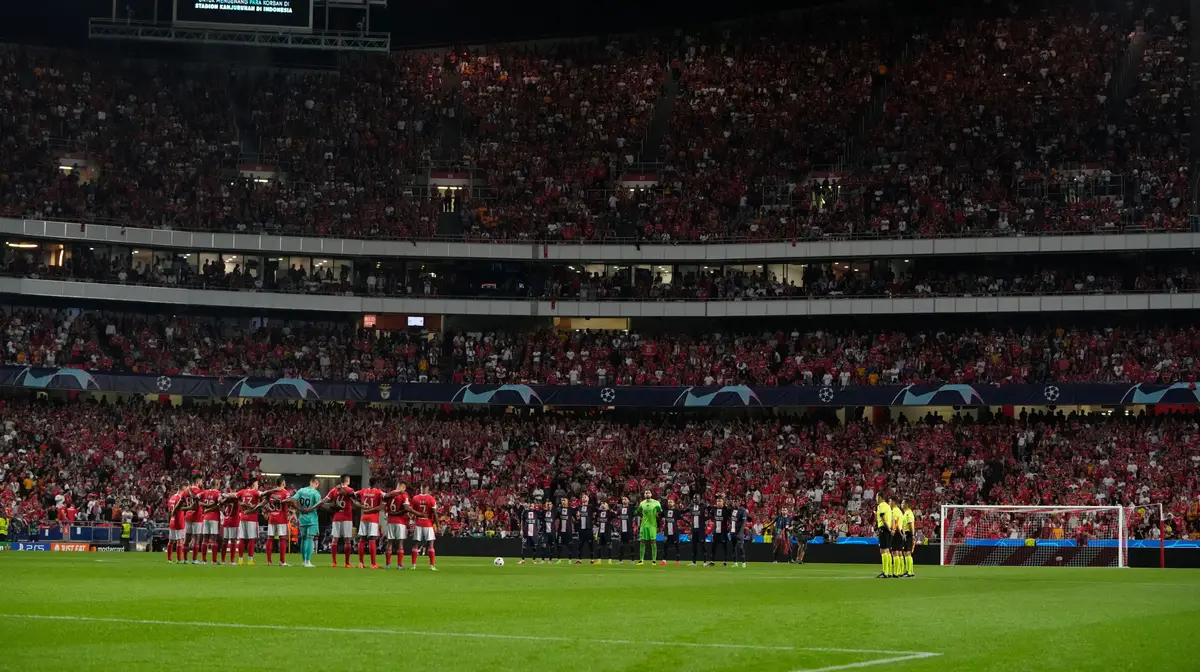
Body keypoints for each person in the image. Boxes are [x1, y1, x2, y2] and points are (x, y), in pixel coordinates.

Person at [321, 475, 359, 568]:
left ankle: (334, 562)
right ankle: (347, 563)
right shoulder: (350, 490)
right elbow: (354, 498)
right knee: (347, 540)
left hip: (337, 517)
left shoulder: (334, 490)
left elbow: (326, 499)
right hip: (347, 518)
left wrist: (319, 504)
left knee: (335, 540)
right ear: (347, 480)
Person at [235, 478, 273, 566]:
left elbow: (235, 496)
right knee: (251, 539)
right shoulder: (255, 492)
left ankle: (240, 560)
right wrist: (271, 491)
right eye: (256, 484)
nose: (258, 486)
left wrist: (241, 503)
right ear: (253, 485)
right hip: (252, 518)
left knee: (242, 539)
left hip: (243, 517)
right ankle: (250, 560)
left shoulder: (242, 492)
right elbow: (263, 494)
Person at [291, 477, 323, 568]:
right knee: (310, 539)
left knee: (304, 539)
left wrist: (299, 509)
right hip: (312, 518)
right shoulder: (315, 493)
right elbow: (319, 505)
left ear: (310, 482)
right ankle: (308, 561)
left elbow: (293, 500)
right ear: (316, 483)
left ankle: (303, 561)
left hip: (302, 518)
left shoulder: (301, 490)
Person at [263, 478, 293, 567]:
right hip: (281, 518)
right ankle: (282, 561)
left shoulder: (271, 493)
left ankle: (269, 561)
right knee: (283, 538)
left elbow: (265, 502)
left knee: (270, 538)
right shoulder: (285, 492)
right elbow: (289, 501)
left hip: (272, 518)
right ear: (283, 483)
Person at [356, 477, 385, 569]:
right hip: (373, 518)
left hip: (364, 518)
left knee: (362, 539)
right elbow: (386, 497)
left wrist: (360, 505)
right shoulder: (378, 492)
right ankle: (373, 564)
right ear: (376, 483)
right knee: (372, 539)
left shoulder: (363, 491)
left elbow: (351, 495)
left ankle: (361, 563)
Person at [382, 480, 411, 570]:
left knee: (390, 542)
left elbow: (384, 504)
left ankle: (388, 565)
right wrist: (398, 513)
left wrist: (390, 513)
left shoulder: (390, 493)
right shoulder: (404, 495)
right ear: (403, 487)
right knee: (400, 542)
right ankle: (399, 565)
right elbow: (406, 509)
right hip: (400, 521)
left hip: (390, 521)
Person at [409, 483, 437, 571]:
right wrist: (437, 524)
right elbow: (435, 513)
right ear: (427, 489)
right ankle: (432, 566)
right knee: (431, 544)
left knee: (416, 544)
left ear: (420, 489)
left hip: (418, 523)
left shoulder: (415, 498)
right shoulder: (431, 498)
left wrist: (413, 517)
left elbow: (411, 511)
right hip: (428, 523)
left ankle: (413, 565)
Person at [197, 480, 222, 564]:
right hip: (214, 518)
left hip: (206, 517)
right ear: (217, 484)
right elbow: (220, 502)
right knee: (214, 539)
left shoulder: (204, 492)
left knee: (205, 539)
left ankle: (203, 560)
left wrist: (205, 506)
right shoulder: (218, 493)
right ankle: (213, 561)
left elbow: (197, 499)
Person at [634, 489, 662, 566]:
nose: (647, 494)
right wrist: (638, 514)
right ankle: (641, 560)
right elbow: (636, 512)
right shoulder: (642, 503)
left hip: (652, 525)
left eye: (649, 493)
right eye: (646, 493)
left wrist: (658, 515)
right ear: (644, 495)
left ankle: (654, 560)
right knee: (642, 542)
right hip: (644, 525)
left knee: (653, 542)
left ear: (651, 494)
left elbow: (661, 512)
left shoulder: (656, 503)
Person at [216, 488, 241, 565]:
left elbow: (219, 505)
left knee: (225, 540)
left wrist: (223, 513)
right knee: (233, 540)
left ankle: (223, 560)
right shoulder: (236, 497)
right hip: (234, 521)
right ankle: (232, 561)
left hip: (226, 520)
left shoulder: (225, 497)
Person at [166, 483, 188, 564]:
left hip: (172, 521)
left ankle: (169, 559)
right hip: (179, 521)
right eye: (186, 489)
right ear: (183, 489)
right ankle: (179, 559)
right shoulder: (180, 498)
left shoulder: (172, 497)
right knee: (180, 541)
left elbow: (169, 511)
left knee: (171, 541)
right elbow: (180, 509)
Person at [184, 477, 204, 564]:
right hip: (196, 517)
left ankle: (185, 559)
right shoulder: (198, 490)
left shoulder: (185, 491)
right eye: (201, 481)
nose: (202, 483)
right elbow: (197, 498)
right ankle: (194, 559)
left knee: (187, 538)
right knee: (196, 538)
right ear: (197, 482)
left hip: (188, 515)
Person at [708, 495, 732, 567]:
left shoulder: (726, 510)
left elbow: (730, 516)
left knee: (724, 547)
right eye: (717, 501)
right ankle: (712, 562)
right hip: (716, 531)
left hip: (723, 532)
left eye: (720, 501)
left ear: (723, 502)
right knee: (713, 547)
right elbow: (711, 514)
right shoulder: (714, 510)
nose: (718, 502)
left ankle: (725, 562)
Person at [575, 494, 597, 564]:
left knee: (590, 544)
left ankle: (592, 559)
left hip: (588, 529)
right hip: (581, 529)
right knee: (580, 544)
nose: (583, 498)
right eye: (582, 497)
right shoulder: (579, 507)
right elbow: (576, 516)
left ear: (588, 499)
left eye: (585, 497)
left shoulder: (590, 507)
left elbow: (596, 507)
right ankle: (579, 560)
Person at [660, 496, 682, 566]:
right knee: (665, 545)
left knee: (677, 546)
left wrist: (689, 523)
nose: (669, 503)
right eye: (668, 502)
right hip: (667, 532)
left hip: (675, 531)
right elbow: (660, 514)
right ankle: (664, 560)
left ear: (674, 503)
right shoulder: (665, 511)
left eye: (671, 502)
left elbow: (682, 518)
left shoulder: (676, 511)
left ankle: (677, 560)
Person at [876, 493, 893, 579]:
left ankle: (885, 572)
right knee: (887, 550)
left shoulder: (881, 505)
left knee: (883, 550)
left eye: (876, 497)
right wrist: (890, 529)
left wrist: (888, 529)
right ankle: (888, 571)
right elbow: (891, 518)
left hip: (884, 528)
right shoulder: (888, 506)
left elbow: (883, 519)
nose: (876, 498)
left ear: (880, 497)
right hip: (888, 528)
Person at [554, 496, 574, 564]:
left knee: (570, 545)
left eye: (564, 500)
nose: (563, 501)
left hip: (568, 531)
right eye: (562, 500)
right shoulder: (559, 509)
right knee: (559, 545)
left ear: (567, 501)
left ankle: (570, 559)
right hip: (561, 531)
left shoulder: (571, 509)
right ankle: (559, 559)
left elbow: (576, 517)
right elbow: (555, 518)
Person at [688, 494, 707, 566]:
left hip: (701, 529)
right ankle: (694, 562)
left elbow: (710, 511)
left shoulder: (702, 506)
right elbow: (684, 511)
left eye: (696, 498)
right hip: (694, 529)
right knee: (694, 546)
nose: (694, 499)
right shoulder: (691, 506)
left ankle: (704, 562)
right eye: (693, 498)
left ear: (699, 499)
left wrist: (705, 519)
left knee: (703, 545)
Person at [730, 498, 750, 568]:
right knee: (733, 547)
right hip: (732, 532)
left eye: (736, 502)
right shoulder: (732, 510)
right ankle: (735, 563)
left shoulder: (742, 511)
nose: (734, 503)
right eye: (734, 502)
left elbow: (744, 523)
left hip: (739, 532)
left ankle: (743, 563)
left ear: (739, 502)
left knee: (741, 547)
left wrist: (741, 532)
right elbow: (732, 521)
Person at [615, 496, 635, 564]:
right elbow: (616, 515)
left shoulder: (631, 508)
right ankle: (620, 560)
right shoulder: (620, 509)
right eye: (622, 499)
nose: (623, 500)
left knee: (631, 545)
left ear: (628, 500)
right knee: (621, 545)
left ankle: (632, 560)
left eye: (625, 499)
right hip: (622, 530)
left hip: (629, 530)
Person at [519, 499, 539, 565]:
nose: (531, 507)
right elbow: (522, 521)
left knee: (534, 547)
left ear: (534, 507)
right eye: (530, 506)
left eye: (532, 506)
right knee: (524, 547)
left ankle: (534, 560)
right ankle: (522, 560)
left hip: (534, 533)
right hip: (526, 532)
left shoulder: (536, 513)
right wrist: (521, 529)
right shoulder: (525, 512)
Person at [889, 496, 905, 577]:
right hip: (900, 532)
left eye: (890, 501)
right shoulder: (900, 511)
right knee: (899, 553)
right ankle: (900, 571)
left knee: (895, 552)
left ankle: (896, 572)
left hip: (896, 532)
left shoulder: (894, 511)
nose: (889, 503)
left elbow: (895, 523)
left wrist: (897, 532)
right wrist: (902, 533)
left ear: (894, 502)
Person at [900, 498, 916, 578]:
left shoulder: (908, 513)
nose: (901, 504)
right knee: (906, 552)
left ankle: (910, 572)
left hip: (908, 534)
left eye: (902, 503)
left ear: (906, 504)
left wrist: (912, 535)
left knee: (907, 552)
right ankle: (910, 571)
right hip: (906, 534)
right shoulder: (906, 512)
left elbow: (911, 524)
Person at [539, 499, 555, 564]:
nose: (549, 505)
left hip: (552, 532)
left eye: (550, 504)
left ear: (552, 505)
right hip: (545, 532)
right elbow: (540, 517)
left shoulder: (554, 512)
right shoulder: (543, 512)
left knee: (551, 546)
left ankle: (550, 560)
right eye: (548, 504)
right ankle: (543, 560)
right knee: (543, 545)